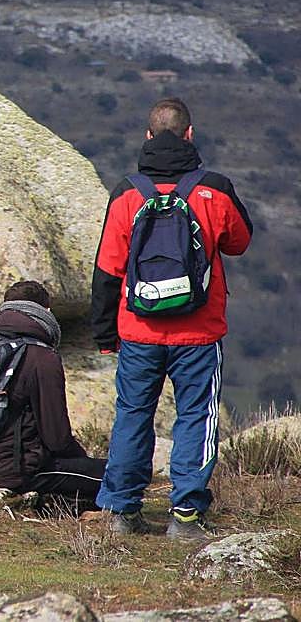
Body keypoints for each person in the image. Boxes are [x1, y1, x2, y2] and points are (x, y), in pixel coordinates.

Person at [91, 97, 252, 539]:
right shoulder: (214, 189)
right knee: (197, 416)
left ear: (147, 137)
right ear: (190, 134)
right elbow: (239, 242)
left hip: (138, 330)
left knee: (133, 415)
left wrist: (105, 334)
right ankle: (185, 515)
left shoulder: (126, 193)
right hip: (198, 332)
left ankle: (122, 512)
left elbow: (107, 270)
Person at [0, 281, 107, 510]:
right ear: (46, 312)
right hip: (9, 471)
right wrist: (82, 461)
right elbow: (57, 438)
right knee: (118, 475)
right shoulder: (41, 357)